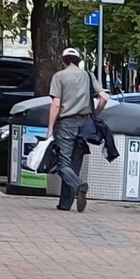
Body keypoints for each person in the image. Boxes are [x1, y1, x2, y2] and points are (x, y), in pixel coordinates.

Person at [45, 47, 102, 212]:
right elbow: (104, 98)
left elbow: (56, 104)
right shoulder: (89, 76)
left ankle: (79, 185)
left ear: (63, 60)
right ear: (79, 61)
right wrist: (93, 115)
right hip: (85, 124)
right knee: (75, 163)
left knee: (63, 164)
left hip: (66, 123)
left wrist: (50, 128)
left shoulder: (59, 76)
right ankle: (65, 204)